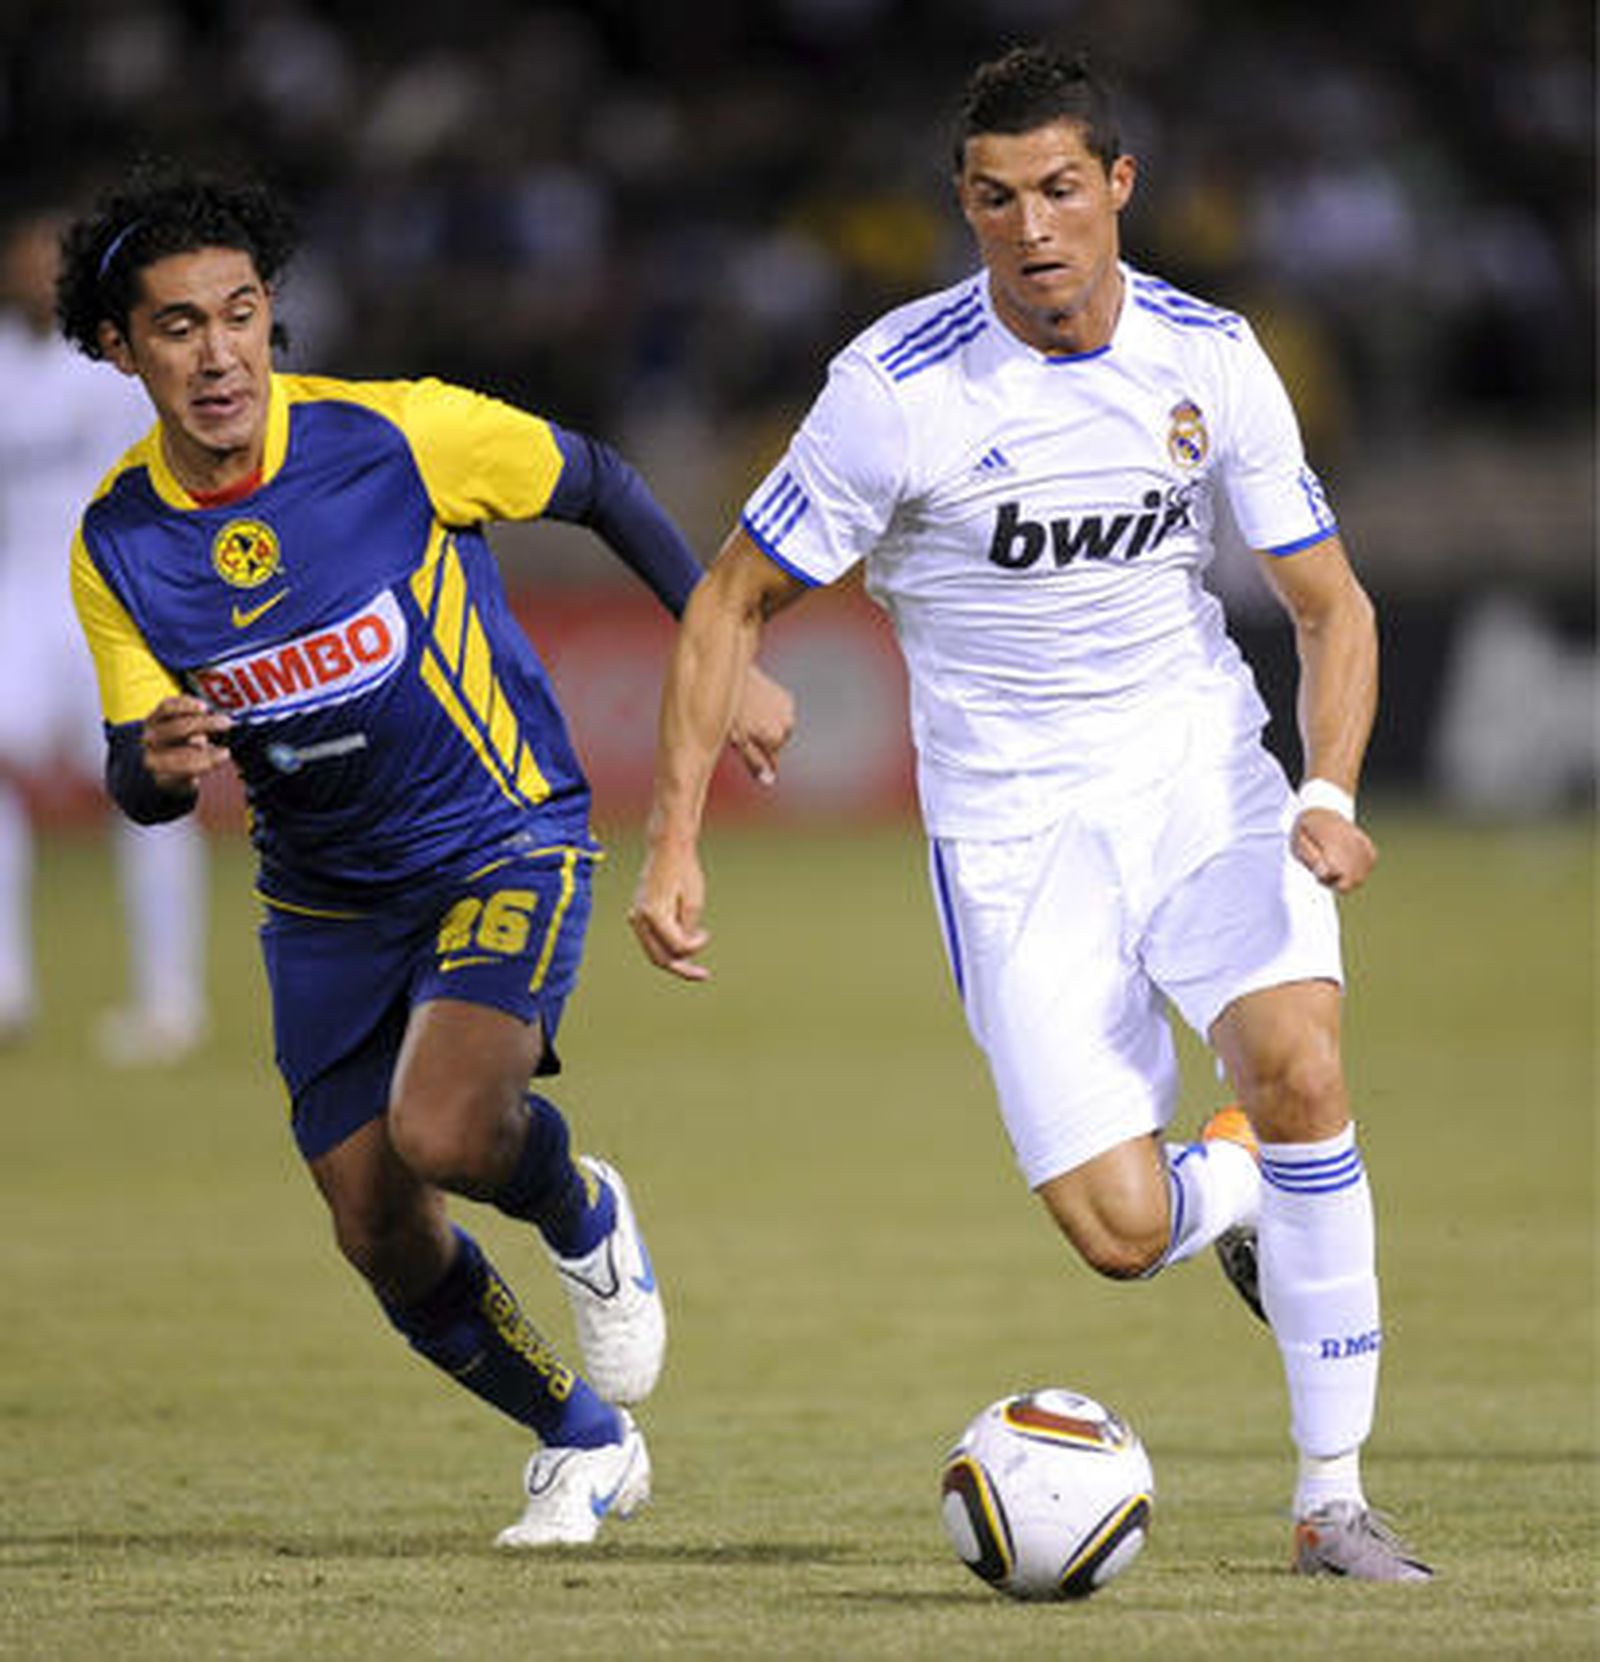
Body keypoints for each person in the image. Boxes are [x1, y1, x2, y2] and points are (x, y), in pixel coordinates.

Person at [631, 45, 1432, 1581]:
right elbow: (731, 597)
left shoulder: (1213, 357)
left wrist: (1325, 793)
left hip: (1198, 774)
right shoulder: (896, 391)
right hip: (1013, 834)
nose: (1033, 227)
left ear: (1119, 188)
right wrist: (672, 841)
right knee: (1125, 1230)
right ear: (965, 206)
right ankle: (1248, 1180)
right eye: (997, 199)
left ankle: (1332, 1498)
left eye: (1062, 189)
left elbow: (1331, 609)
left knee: (1302, 1061)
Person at [59, 161, 793, 1547]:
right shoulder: (117, 544)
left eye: (240, 313)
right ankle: (583, 1441)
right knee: (374, 1223)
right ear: (119, 346)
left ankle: (577, 1203)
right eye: (177, 326)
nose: (219, 353)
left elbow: (598, 480)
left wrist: (725, 648)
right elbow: (133, 771)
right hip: (322, 899)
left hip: (500, 833)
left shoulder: (395, 438)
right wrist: (146, 766)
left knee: (450, 1128)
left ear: (273, 313)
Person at [0, 201, 207, 1063]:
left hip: (114, 596)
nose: (38, 279)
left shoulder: (121, 366)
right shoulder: (3, 368)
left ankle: (170, 1001)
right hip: (19, 591)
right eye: (24, 263)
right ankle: (5, 987)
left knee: (152, 791)